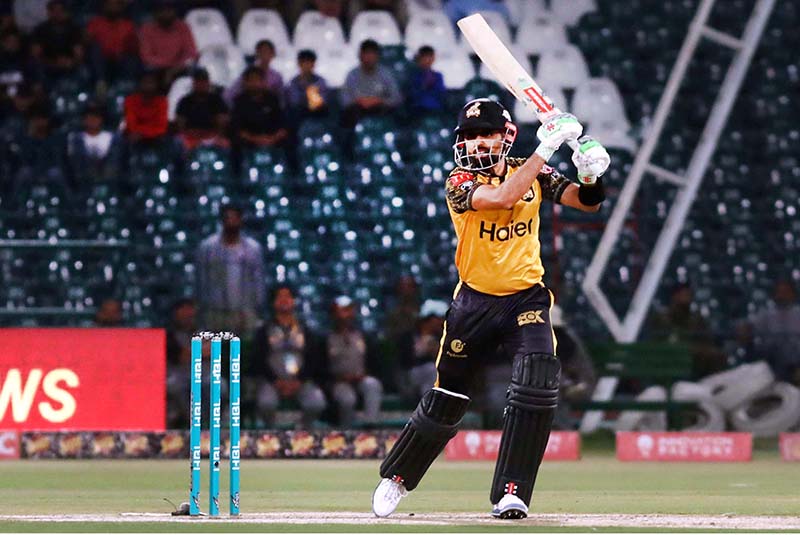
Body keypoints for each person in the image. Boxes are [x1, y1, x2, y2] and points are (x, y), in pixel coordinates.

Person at [371, 98, 610, 519]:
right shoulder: (459, 180)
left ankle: (511, 492)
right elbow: (501, 198)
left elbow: (585, 202)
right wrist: (547, 148)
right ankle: (398, 479)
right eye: (470, 135)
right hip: (474, 301)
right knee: (449, 396)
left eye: (487, 134)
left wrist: (590, 174)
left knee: (537, 385)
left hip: (525, 297)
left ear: (505, 136)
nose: (478, 143)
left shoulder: (530, 168)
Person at [249, 285, 327, 428]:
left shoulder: (305, 329)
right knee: (266, 403)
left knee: (317, 402)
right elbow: (258, 359)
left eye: (288, 297)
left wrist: (299, 381)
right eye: (280, 297)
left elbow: (312, 358)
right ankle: (272, 433)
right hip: (272, 381)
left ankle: (303, 430)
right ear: (273, 302)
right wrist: (276, 381)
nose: (284, 300)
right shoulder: (264, 330)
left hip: (300, 381)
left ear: (293, 301)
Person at [195, 203, 266, 343]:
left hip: (246, 311)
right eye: (227, 218)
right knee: (217, 352)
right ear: (222, 220)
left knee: (245, 352)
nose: (231, 221)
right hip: (214, 311)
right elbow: (201, 280)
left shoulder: (253, 248)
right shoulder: (207, 248)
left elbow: (258, 280)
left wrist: (258, 307)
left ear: (241, 220)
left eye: (235, 218)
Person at [324, 296, 383, 427]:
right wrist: (339, 377)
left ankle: (370, 424)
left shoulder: (363, 336)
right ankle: (347, 430)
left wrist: (364, 374)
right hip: (337, 381)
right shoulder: (325, 338)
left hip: (360, 378)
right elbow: (320, 367)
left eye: (348, 310)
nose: (345, 315)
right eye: (341, 311)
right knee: (347, 398)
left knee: (372, 384)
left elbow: (374, 362)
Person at [647, 283, 727, 380]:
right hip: (672, 355)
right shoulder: (663, 318)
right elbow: (659, 341)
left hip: (694, 356)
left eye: (690, 295)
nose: (688, 297)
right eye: (685, 294)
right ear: (675, 296)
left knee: (716, 355)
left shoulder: (696, 318)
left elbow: (706, 339)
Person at [747, 279, 800, 385]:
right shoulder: (765, 314)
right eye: (779, 292)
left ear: (793, 294)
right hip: (771, 360)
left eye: (786, 292)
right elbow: (751, 329)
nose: (782, 295)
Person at [340, 39, 402, 128]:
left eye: (372, 54)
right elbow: (344, 100)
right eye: (366, 53)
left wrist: (378, 100)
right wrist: (360, 101)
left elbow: (396, 97)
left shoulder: (385, 74)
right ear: (360, 55)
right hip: (358, 110)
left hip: (380, 109)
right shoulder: (352, 75)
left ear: (377, 56)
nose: (369, 57)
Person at [138, 2, 197, 87]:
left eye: (169, 10)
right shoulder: (147, 29)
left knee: (193, 69)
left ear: (174, 11)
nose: (165, 14)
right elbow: (146, 56)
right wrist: (169, 67)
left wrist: (175, 68)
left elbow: (191, 53)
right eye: (162, 11)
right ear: (156, 13)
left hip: (179, 70)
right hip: (157, 70)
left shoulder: (183, 27)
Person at [230, 66, 288, 149]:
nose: (255, 83)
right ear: (245, 82)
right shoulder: (239, 101)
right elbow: (237, 129)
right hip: (249, 143)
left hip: (272, 140)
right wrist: (256, 139)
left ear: (263, 81)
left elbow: (283, 125)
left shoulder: (273, 99)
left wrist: (272, 139)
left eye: (257, 79)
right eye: (251, 80)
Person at [86, 0, 139, 86]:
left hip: (121, 61)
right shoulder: (95, 23)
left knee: (131, 57)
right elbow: (87, 42)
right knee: (95, 49)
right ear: (104, 6)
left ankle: (126, 85)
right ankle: (101, 82)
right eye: (109, 4)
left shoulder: (128, 25)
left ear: (121, 7)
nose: (112, 7)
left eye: (116, 4)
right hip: (101, 61)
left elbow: (134, 47)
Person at [175, 67, 229, 150]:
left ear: (208, 82)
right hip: (190, 135)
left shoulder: (217, 100)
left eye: (203, 81)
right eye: (198, 81)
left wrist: (215, 135)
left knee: (225, 144)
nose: (201, 84)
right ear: (193, 83)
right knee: (178, 142)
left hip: (211, 135)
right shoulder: (185, 101)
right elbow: (180, 123)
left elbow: (222, 121)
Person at [225, 39, 284, 106]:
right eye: (261, 52)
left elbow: (281, 99)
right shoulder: (248, 73)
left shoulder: (277, 76)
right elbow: (228, 95)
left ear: (273, 54)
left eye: (267, 52)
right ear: (257, 54)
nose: (264, 55)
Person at [123, 70, 168, 145]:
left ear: (156, 84)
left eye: (151, 83)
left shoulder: (162, 101)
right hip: (134, 137)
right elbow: (131, 125)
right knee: (121, 138)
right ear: (140, 84)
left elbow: (162, 127)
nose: (148, 86)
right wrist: (148, 130)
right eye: (145, 82)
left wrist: (144, 134)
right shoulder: (130, 100)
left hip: (156, 138)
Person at [285, 49, 330, 119]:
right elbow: (294, 101)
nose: (306, 65)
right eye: (303, 62)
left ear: (313, 64)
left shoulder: (320, 81)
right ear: (299, 64)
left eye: (309, 62)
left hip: (317, 112)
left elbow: (323, 101)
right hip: (298, 113)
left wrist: (312, 95)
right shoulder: (293, 82)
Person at [406, 46, 446, 116]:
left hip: (435, 110)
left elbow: (441, 93)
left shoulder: (438, 76)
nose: (427, 60)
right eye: (425, 58)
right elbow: (413, 94)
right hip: (417, 110)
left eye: (430, 57)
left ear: (433, 58)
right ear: (419, 58)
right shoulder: (413, 75)